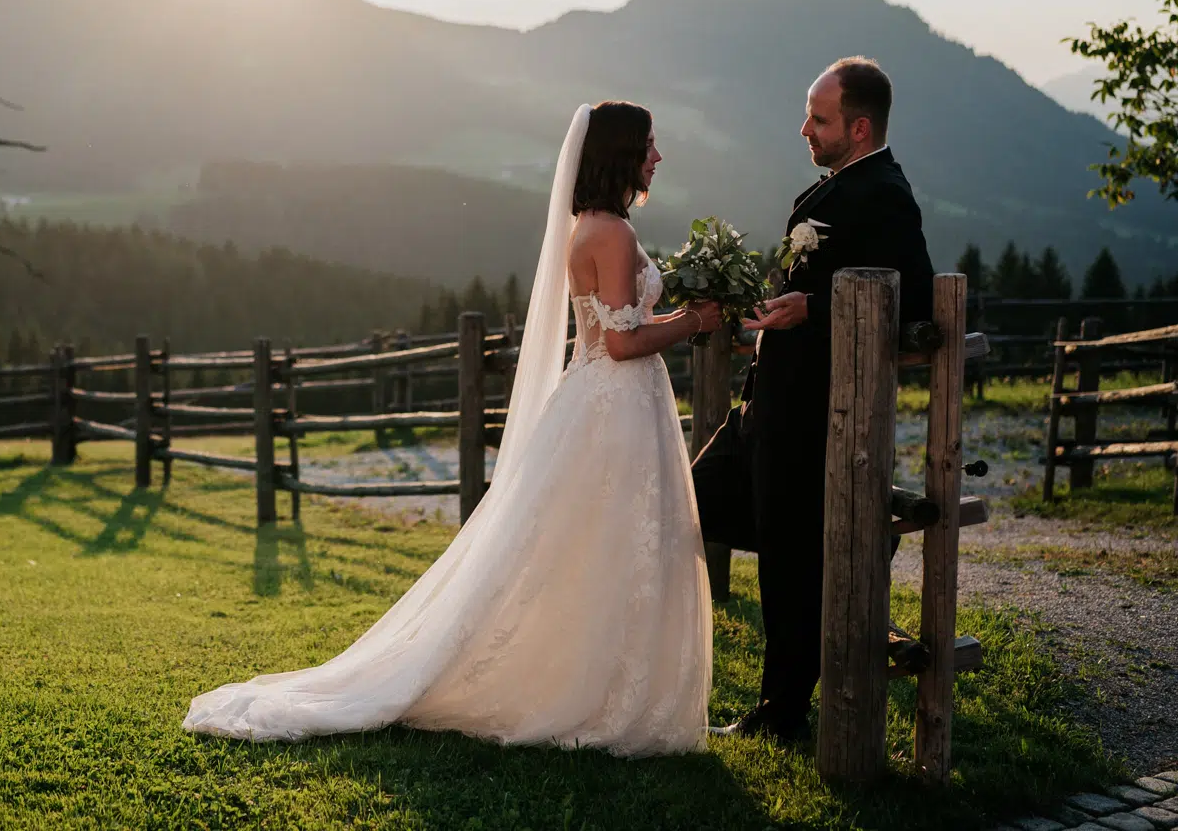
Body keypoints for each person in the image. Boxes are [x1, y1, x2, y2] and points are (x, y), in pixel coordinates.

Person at [183, 102, 719, 754]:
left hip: (606, 405)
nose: (658, 158)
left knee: (588, 545)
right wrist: (697, 321)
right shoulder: (613, 234)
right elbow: (621, 343)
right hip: (617, 405)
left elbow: (609, 334)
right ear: (621, 155)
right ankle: (605, 695)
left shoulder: (592, 226)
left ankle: (602, 682)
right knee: (610, 543)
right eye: (650, 146)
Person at [693, 56, 935, 744]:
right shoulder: (837, 186)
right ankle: (838, 569)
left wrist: (813, 308)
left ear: (859, 128)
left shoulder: (883, 191)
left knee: (787, 561)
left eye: (818, 118)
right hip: (765, 409)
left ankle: (782, 712)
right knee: (695, 504)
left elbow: (909, 298)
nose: (804, 128)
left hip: (810, 416)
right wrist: (771, 314)